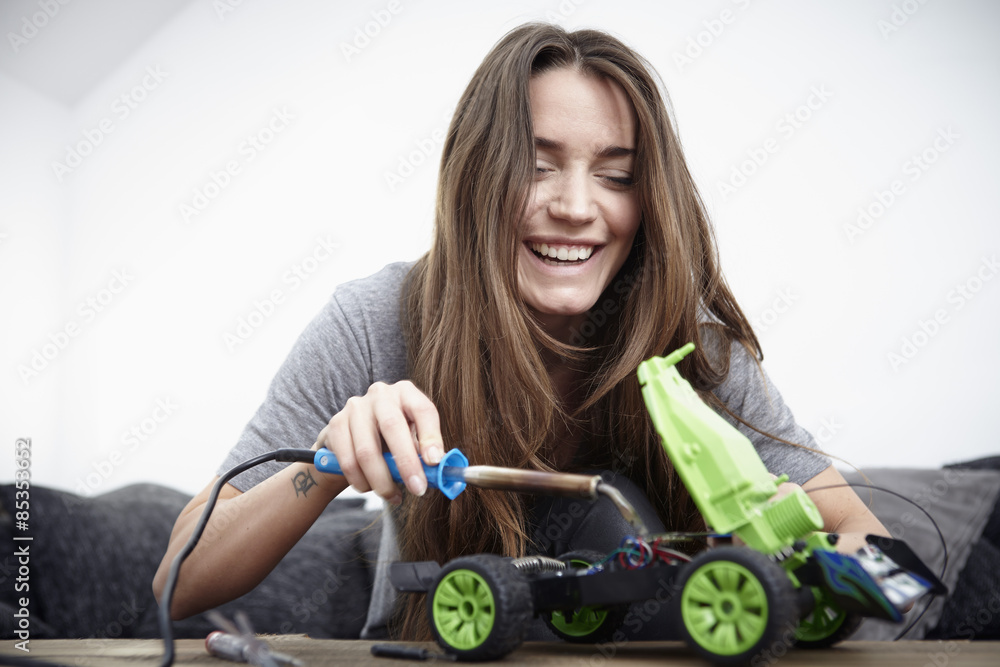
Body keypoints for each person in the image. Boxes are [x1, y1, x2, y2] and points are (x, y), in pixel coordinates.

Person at [152, 23, 889, 641]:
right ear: (475, 177)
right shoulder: (374, 320)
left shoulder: (691, 347)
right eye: (538, 167)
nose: (576, 206)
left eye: (616, 176)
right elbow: (180, 580)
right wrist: (325, 463)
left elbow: (863, 533)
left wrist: (823, 574)